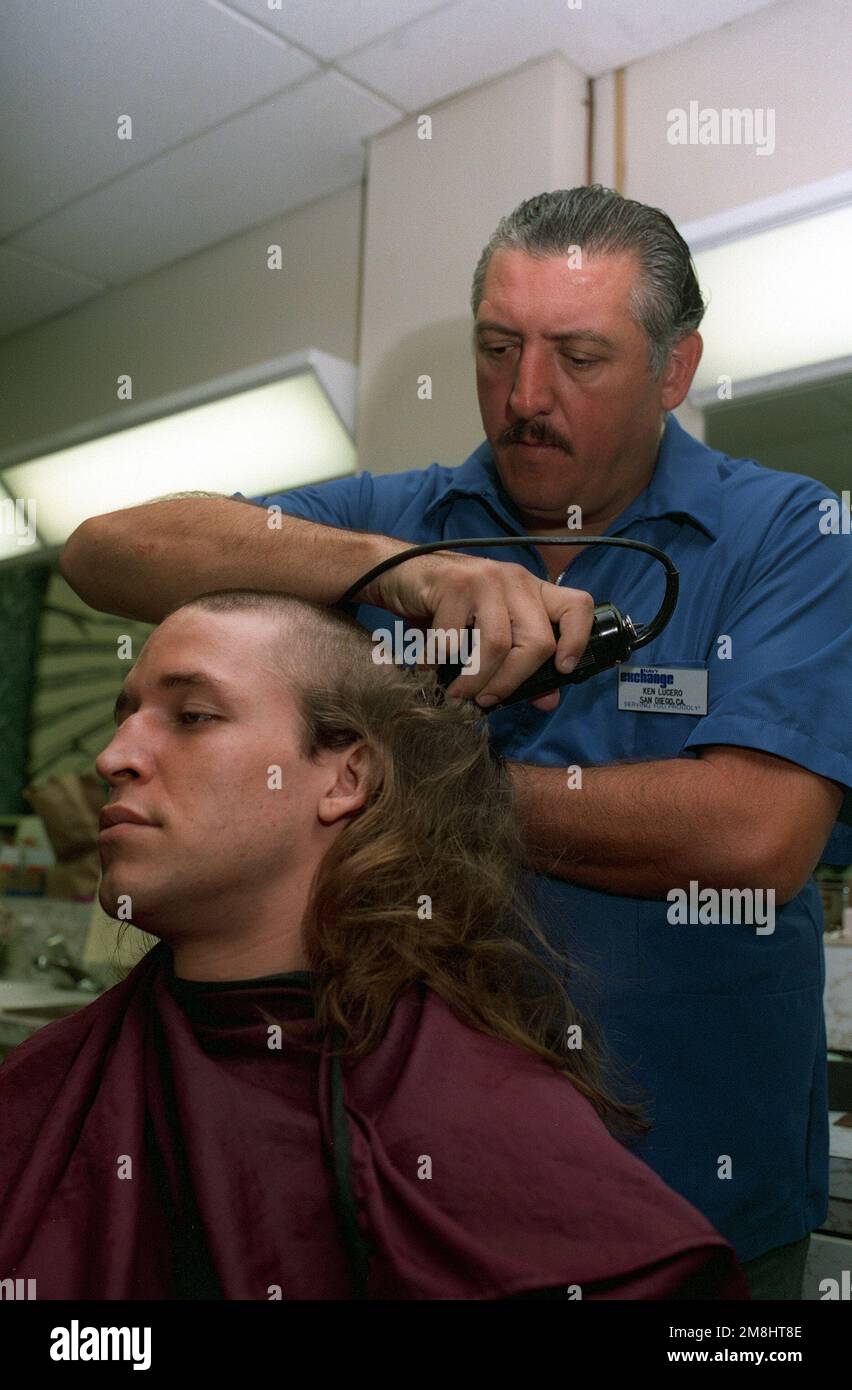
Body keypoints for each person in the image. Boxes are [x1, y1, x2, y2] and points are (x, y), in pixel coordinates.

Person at [58, 185, 852, 1299]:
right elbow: (108, 551)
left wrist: (415, 795)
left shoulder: (788, 534)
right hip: (423, 1198)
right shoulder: (406, 515)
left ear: (675, 371)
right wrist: (397, 571)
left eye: (579, 356)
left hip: (705, 1199)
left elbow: (755, 832)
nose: (524, 397)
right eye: (496, 348)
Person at [0, 592, 748, 1300]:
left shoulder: (463, 1116)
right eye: (124, 714)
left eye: (192, 715)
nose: (113, 756)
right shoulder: (49, 1080)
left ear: (348, 775)